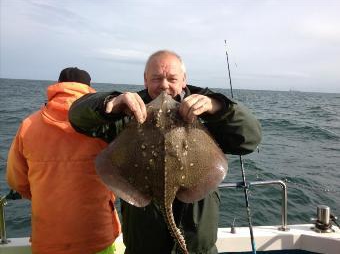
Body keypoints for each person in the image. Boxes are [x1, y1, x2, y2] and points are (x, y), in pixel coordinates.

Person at [69, 50, 262, 254]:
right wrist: (108, 103)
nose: (164, 85)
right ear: (145, 80)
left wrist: (219, 107)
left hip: (199, 246)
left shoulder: (207, 112)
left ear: (184, 80)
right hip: (144, 246)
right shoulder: (128, 111)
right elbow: (77, 117)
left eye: (172, 78)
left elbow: (249, 139)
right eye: (156, 78)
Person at [6, 67, 121, 254]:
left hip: (48, 240)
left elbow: (16, 180)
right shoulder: (103, 127)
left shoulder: (28, 125)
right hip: (97, 235)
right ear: (90, 91)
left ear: (57, 87)